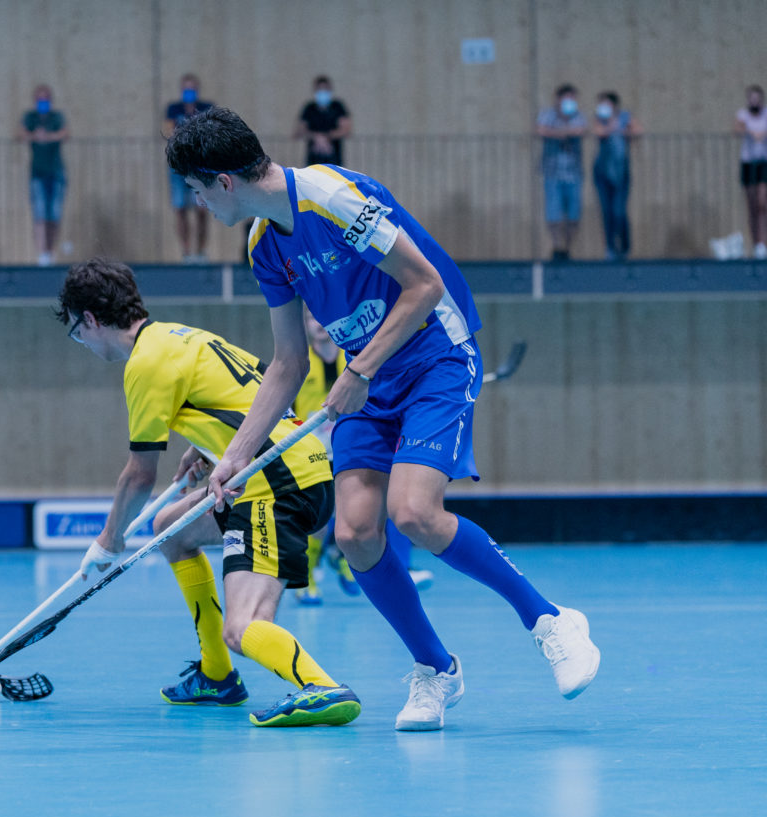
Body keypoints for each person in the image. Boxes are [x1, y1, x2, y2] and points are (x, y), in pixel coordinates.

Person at [166, 107, 600, 731]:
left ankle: (549, 619)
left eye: (198, 190)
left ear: (223, 181)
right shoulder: (264, 246)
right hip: (371, 379)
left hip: (434, 357)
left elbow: (423, 283)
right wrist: (234, 454)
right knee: (356, 532)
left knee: (414, 514)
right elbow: (287, 363)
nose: (200, 205)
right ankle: (436, 670)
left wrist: (359, 368)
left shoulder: (331, 197)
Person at [58, 258, 360, 728]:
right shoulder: (181, 336)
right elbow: (252, 395)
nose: (82, 341)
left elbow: (139, 475)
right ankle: (217, 676)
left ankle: (321, 686)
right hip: (296, 465)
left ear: (91, 320)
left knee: (243, 626)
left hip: (276, 484)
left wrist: (108, 540)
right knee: (169, 529)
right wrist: (210, 448)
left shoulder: (144, 364)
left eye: (78, 332)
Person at [292, 307, 433, 606]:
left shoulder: (360, 359)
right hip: (311, 452)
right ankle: (308, 575)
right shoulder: (298, 364)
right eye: (311, 319)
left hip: (352, 446)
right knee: (320, 518)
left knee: (358, 509)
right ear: (304, 325)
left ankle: (341, 557)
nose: (318, 324)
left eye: (322, 317)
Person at [16, 84, 70, 265]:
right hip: (37, 172)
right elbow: (19, 134)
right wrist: (34, 136)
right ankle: (42, 253)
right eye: (39, 99)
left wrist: (49, 137)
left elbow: (65, 133)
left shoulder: (56, 117)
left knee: (54, 212)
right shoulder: (30, 118)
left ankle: (50, 250)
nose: (42, 103)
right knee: (39, 212)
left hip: (56, 172)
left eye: (45, 99)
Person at [163, 74, 215, 261]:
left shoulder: (206, 108)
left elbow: (211, 133)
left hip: (201, 167)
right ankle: (186, 252)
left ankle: (201, 251)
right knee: (180, 208)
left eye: (192, 88)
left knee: (201, 210)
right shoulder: (173, 109)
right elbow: (169, 131)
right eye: (186, 88)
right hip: (179, 165)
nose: (189, 92)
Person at [536, 84, 587, 261]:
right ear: (558, 99)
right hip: (552, 172)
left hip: (574, 173)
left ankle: (568, 247)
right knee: (554, 213)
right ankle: (557, 246)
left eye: (573, 99)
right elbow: (541, 130)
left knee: (573, 214)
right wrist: (564, 133)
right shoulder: (547, 114)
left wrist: (556, 133)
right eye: (567, 98)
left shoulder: (579, 116)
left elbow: (580, 130)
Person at [592, 91, 643, 261]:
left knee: (619, 212)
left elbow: (637, 131)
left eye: (606, 104)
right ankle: (610, 248)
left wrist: (624, 129)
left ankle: (625, 246)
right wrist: (611, 127)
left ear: (614, 105)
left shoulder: (625, 117)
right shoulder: (600, 120)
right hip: (602, 172)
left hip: (620, 172)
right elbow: (599, 132)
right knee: (607, 212)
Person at [734, 84, 767, 260]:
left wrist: (766, 129)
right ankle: (755, 243)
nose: (754, 101)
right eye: (751, 98)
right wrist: (750, 131)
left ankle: (762, 244)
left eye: (757, 98)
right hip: (748, 163)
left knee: (762, 204)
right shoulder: (743, 115)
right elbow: (736, 130)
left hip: (765, 162)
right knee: (752, 205)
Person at [295, 75, 352, 167]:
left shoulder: (337, 107)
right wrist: (316, 137)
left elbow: (346, 129)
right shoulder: (309, 108)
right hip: (313, 155)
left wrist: (326, 138)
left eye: (325, 89)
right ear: (315, 90)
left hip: (334, 154)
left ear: (330, 90)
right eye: (319, 89)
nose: (322, 92)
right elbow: (300, 130)